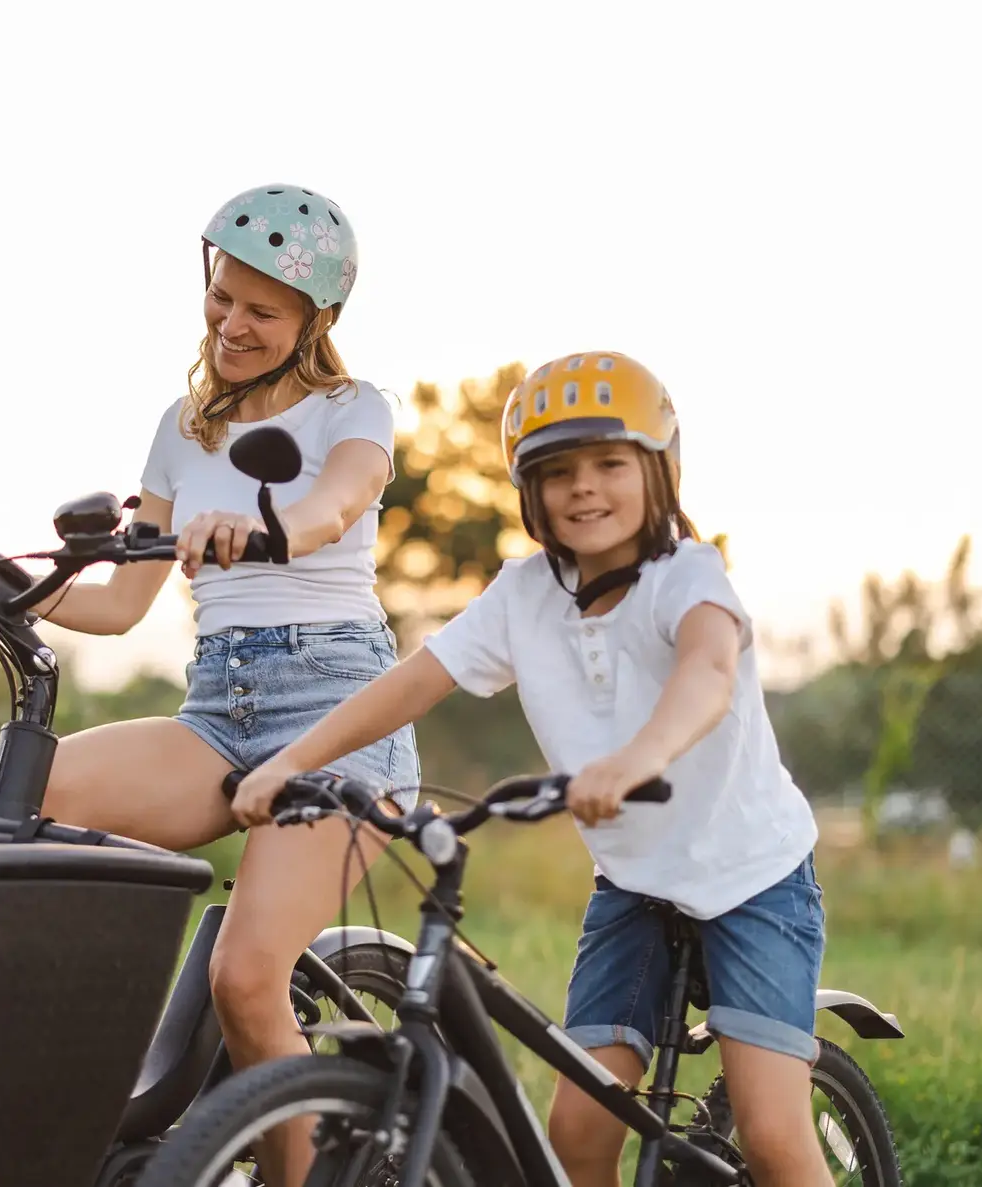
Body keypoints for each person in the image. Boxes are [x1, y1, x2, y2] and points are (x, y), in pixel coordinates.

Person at [235, 352, 833, 1186]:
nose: (583, 488)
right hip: (636, 883)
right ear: (529, 491)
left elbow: (706, 673)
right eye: (556, 473)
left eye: (609, 464)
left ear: (658, 470)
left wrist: (635, 759)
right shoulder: (525, 595)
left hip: (752, 877)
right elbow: (411, 683)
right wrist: (291, 760)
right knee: (579, 1131)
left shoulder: (687, 577)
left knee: (771, 1133)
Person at [0, 184, 418, 1181]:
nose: (233, 323)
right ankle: (88, 1082)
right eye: (224, 297)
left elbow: (338, 504)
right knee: (29, 802)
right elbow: (123, 604)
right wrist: (11, 599)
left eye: (263, 310)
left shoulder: (353, 408)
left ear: (312, 322)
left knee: (248, 976)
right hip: (219, 707)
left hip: (338, 711)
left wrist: (268, 529)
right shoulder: (182, 424)